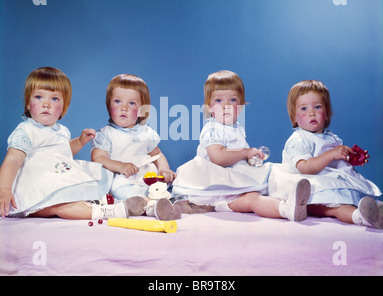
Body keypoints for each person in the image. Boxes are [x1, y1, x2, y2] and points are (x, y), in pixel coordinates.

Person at [172, 70, 310, 221]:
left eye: (232, 100)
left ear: (241, 106)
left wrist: (251, 159)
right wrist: (245, 152)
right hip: (216, 188)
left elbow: (237, 157)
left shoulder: (236, 129)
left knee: (262, 186)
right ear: (209, 107)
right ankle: (286, 205)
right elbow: (218, 157)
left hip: (233, 184)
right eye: (218, 100)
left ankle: (289, 205)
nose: (226, 106)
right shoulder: (212, 129)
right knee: (253, 199)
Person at [0, 67, 128, 220]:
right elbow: (12, 160)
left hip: (56, 179)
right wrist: (4, 188)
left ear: (63, 107)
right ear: (28, 103)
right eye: (39, 97)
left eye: (54, 99)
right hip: (35, 187)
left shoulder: (61, 130)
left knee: (86, 185)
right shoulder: (26, 131)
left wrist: (80, 141)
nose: (46, 104)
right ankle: (106, 212)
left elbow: (63, 152)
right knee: (59, 207)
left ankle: (102, 205)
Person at [268, 80, 383, 229]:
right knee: (337, 207)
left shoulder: (331, 138)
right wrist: (331, 154)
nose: (311, 112)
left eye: (317, 107)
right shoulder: (298, 140)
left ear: (327, 113)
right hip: (313, 189)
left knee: (354, 200)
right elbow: (305, 167)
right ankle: (361, 218)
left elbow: (336, 163)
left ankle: (374, 212)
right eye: (304, 108)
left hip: (333, 181)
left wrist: (350, 158)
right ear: (294, 117)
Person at [91, 74, 181, 220]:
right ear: (109, 106)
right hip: (123, 179)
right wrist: (120, 166)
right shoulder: (106, 134)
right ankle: (151, 206)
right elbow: (98, 158)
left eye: (131, 103)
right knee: (125, 193)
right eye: (117, 101)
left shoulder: (147, 132)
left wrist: (163, 168)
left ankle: (169, 202)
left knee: (169, 187)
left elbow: (157, 155)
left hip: (147, 177)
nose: (124, 108)